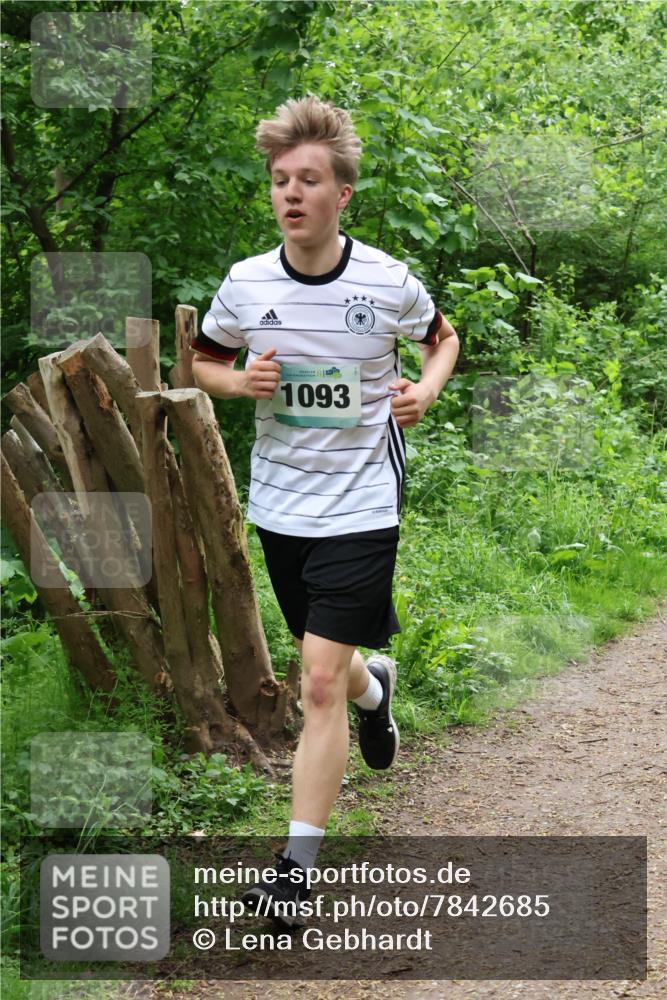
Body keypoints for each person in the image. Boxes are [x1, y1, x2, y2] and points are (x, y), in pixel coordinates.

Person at [191, 96, 459, 927]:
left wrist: (424, 390)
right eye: (279, 181)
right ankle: (375, 691)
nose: (291, 194)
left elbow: (442, 338)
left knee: (312, 682)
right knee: (331, 666)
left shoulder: (386, 283)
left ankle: (294, 871)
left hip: (363, 499)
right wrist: (240, 384)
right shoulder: (246, 284)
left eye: (309, 180)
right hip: (282, 500)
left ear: (342, 194)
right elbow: (203, 361)